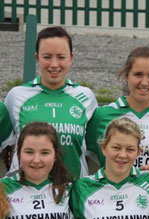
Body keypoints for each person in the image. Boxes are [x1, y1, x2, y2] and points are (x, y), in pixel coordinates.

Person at [5, 26, 98, 179]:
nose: (54, 64)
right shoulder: (16, 96)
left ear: (71, 58)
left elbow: (97, 149)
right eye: (47, 57)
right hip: (25, 194)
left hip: (72, 193)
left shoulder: (86, 97)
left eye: (61, 57)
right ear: (37, 58)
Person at [86, 46, 149, 178]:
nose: (144, 82)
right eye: (138, 74)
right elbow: (88, 163)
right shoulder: (101, 116)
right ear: (126, 76)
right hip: (113, 196)